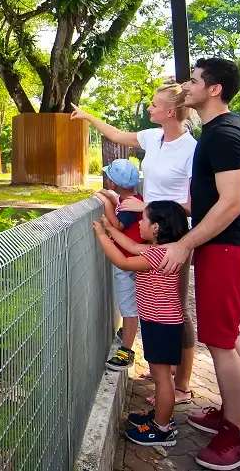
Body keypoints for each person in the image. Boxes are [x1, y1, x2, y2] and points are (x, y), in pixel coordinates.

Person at [156, 58, 240, 470]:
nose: (187, 86)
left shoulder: (225, 135)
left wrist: (185, 243)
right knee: (227, 337)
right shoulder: (217, 132)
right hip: (222, 248)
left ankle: (236, 434)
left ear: (214, 89)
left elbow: (233, 203)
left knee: (220, 341)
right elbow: (213, 196)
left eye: (195, 81)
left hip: (227, 249)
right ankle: (234, 414)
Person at [72, 82, 197, 406]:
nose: (149, 109)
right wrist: (87, 117)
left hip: (173, 239)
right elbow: (115, 135)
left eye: (155, 105)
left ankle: (180, 384)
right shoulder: (152, 138)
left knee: (175, 310)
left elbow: (194, 204)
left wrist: (147, 209)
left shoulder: (191, 149)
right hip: (147, 234)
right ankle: (163, 371)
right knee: (154, 307)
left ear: (170, 112)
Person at [92, 201, 190, 447]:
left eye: (143, 220)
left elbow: (124, 262)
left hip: (162, 323)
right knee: (160, 374)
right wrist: (110, 228)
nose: (138, 223)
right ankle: (160, 416)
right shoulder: (163, 248)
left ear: (156, 227)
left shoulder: (159, 254)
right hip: (160, 322)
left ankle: (161, 428)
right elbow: (133, 246)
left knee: (161, 377)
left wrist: (102, 236)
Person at [94, 158, 144, 371]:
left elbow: (118, 225)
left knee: (128, 308)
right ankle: (127, 335)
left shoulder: (129, 206)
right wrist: (111, 198)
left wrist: (105, 202)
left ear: (113, 183)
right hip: (130, 260)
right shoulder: (135, 199)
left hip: (126, 264)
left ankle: (126, 352)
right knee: (129, 305)